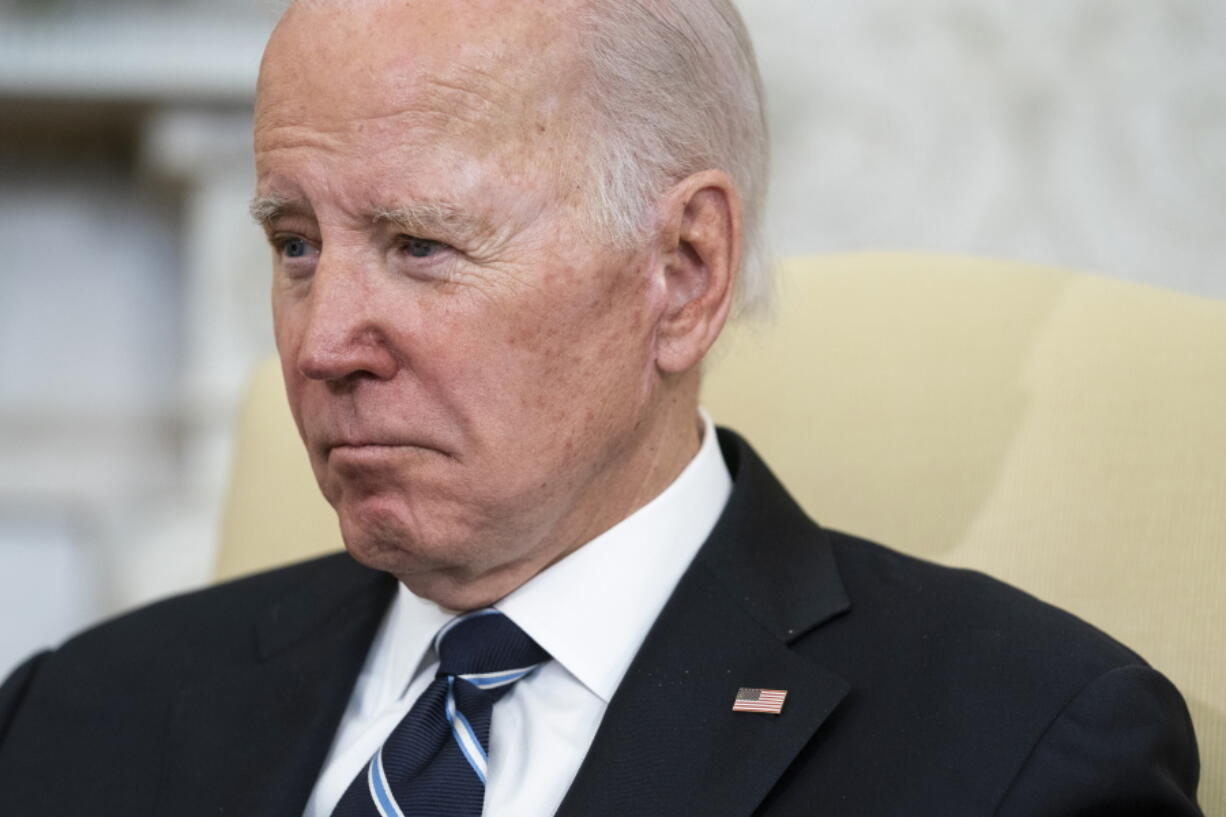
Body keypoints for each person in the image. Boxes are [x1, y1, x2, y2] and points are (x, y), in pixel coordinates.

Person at [0, 0, 1203, 814]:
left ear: (681, 271)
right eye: (297, 243)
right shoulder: (74, 720)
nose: (320, 344)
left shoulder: (1019, 752)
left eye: (420, 244)